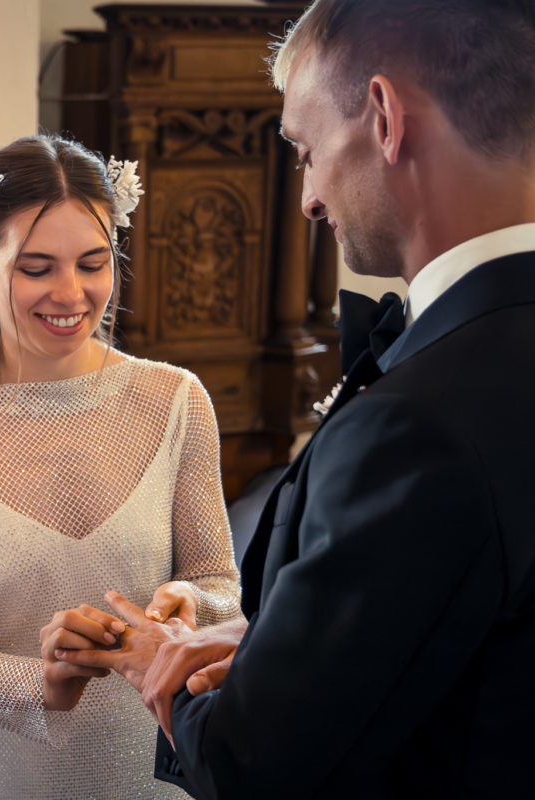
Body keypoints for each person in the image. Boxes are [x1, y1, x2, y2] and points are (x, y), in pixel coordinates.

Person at [44, 0, 535, 797]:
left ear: (383, 117)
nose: (306, 198)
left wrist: (160, 668)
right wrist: (271, 647)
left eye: (304, 150)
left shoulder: (416, 426)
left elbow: (257, 766)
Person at [0, 134, 242, 799]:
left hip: (158, 775)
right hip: (3, 780)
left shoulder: (175, 400)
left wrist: (190, 602)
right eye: (38, 267)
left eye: (93, 263)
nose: (72, 293)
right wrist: (40, 682)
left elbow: (217, 578)